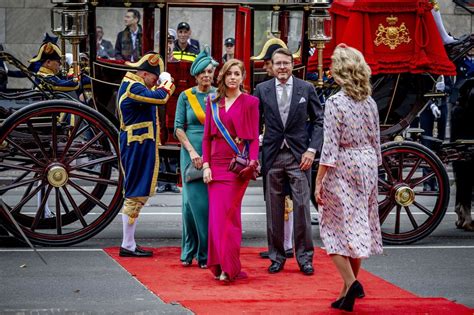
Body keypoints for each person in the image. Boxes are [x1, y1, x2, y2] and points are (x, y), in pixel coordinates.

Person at [315, 44, 383, 312]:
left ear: (339, 70)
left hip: (343, 163)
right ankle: (346, 291)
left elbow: (330, 147)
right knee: (358, 224)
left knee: (332, 227)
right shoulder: (370, 101)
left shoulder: (335, 102)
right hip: (367, 163)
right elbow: (376, 140)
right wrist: (373, 169)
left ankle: (351, 282)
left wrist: (319, 180)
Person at [254, 47, 323, 276]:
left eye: (286, 63)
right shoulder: (262, 90)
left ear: (293, 65)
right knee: (273, 209)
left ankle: (305, 258)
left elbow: (319, 120)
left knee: (302, 207)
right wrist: (254, 154)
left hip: (299, 156)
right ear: (271, 67)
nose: (282, 67)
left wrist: (312, 150)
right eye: (278, 64)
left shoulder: (306, 88)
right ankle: (276, 257)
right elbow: (254, 123)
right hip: (272, 155)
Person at [202, 59, 260, 281]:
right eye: (229, 74)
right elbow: (207, 138)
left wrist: (252, 163)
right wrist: (206, 166)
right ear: (223, 77)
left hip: (236, 168)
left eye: (237, 73)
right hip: (216, 166)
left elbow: (253, 139)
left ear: (243, 77)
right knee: (217, 219)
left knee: (229, 218)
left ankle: (229, 266)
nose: (233, 77)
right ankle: (221, 265)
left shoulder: (251, 102)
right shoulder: (213, 102)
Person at [117, 52, 175, 257]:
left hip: (139, 142)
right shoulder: (133, 86)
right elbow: (160, 97)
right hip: (137, 144)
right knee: (135, 191)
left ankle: (130, 242)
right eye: (153, 77)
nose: (154, 82)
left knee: (137, 192)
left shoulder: (133, 84)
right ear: (144, 74)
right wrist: (167, 82)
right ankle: (127, 244)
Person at [251, 38, 296, 259]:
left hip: (293, 150)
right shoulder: (263, 89)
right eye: (273, 63)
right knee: (273, 200)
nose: (270, 67)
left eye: (274, 63)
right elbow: (255, 120)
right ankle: (278, 245)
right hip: (271, 149)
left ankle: (287, 244)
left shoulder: (300, 88)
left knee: (287, 199)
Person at [174, 48, 218, 268]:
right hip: (190, 154)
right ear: (196, 74)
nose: (206, 75)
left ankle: (204, 254)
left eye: (209, 71)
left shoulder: (218, 95)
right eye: (202, 72)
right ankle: (188, 250)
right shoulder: (186, 96)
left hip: (213, 153)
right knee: (190, 205)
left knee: (207, 206)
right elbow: (178, 128)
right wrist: (192, 152)